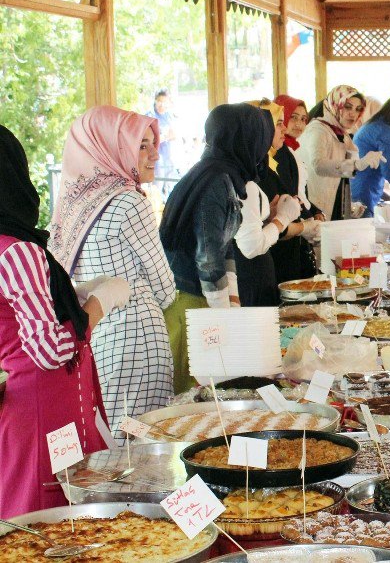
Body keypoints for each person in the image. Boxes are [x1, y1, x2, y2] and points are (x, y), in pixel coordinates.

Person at [0, 126, 130, 517]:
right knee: (51, 511)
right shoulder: (16, 250)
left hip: (26, 404)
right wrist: (97, 305)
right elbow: (50, 350)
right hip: (43, 405)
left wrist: (67, 296)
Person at [49, 107, 177, 437]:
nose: (154, 155)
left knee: (113, 438)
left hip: (98, 333)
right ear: (114, 147)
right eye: (142, 145)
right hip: (139, 335)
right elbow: (165, 288)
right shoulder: (128, 202)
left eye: (153, 144)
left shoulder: (76, 201)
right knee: (147, 441)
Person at [159, 103, 274, 393]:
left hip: (200, 297)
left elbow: (225, 244)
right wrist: (222, 315)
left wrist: (232, 300)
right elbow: (208, 256)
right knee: (191, 390)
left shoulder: (219, 174)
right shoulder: (215, 182)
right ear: (244, 141)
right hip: (188, 300)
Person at [234, 101, 314, 306]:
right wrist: (287, 221)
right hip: (254, 271)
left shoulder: (272, 160)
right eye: (277, 123)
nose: (285, 128)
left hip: (269, 265)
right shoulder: (247, 177)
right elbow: (252, 244)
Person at [299, 86, 383, 220]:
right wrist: (356, 164)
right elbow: (319, 165)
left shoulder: (342, 134)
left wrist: (349, 206)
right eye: (347, 107)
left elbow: (343, 179)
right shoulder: (318, 130)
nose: (353, 114)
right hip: (313, 210)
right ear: (335, 105)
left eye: (358, 109)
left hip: (332, 207)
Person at [273, 95, 324, 281]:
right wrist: (308, 221)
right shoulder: (278, 152)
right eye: (292, 117)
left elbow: (301, 192)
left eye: (303, 119)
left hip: (296, 227)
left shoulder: (290, 150)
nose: (299, 124)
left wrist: (315, 211)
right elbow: (287, 193)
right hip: (284, 232)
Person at [146, 88, 177, 179]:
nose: (162, 104)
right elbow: (148, 139)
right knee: (158, 182)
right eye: (159, 101)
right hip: (155, 157)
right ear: (155, 101)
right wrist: (165, 137)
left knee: (170, 182)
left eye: (165, 102)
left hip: (169, 155)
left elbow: (174, 135)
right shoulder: (149, 116)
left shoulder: (169, 116)